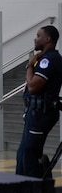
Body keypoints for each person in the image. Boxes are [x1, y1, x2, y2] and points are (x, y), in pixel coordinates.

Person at [16, 25, 62, 177]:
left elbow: (33, 86)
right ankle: (20, 190)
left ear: (47, 39)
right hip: (34, 112)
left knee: (30, 155)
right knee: (22, 153)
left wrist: (29, 65)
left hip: (41, 113)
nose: (35, 38)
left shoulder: (49, 60)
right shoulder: (43, 58)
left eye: (38, 35)